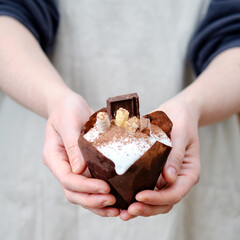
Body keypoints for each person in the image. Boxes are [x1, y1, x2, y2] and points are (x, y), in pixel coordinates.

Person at [0, 0, 240, 239]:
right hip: (43, 115)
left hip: (196, 126)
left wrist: (193, 106)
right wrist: (53, 100)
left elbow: (233, 33)